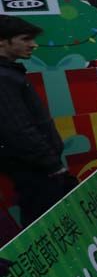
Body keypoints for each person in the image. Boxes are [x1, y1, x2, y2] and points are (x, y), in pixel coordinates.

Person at [0, 16, 75, 227]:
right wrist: (51, 163)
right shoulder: (4, 77)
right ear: (2, 41)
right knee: (44, 225)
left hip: (38, 167)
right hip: (34, 170)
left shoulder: (10, 72)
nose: (33, 44)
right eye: (25, 39)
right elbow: (18, 129)